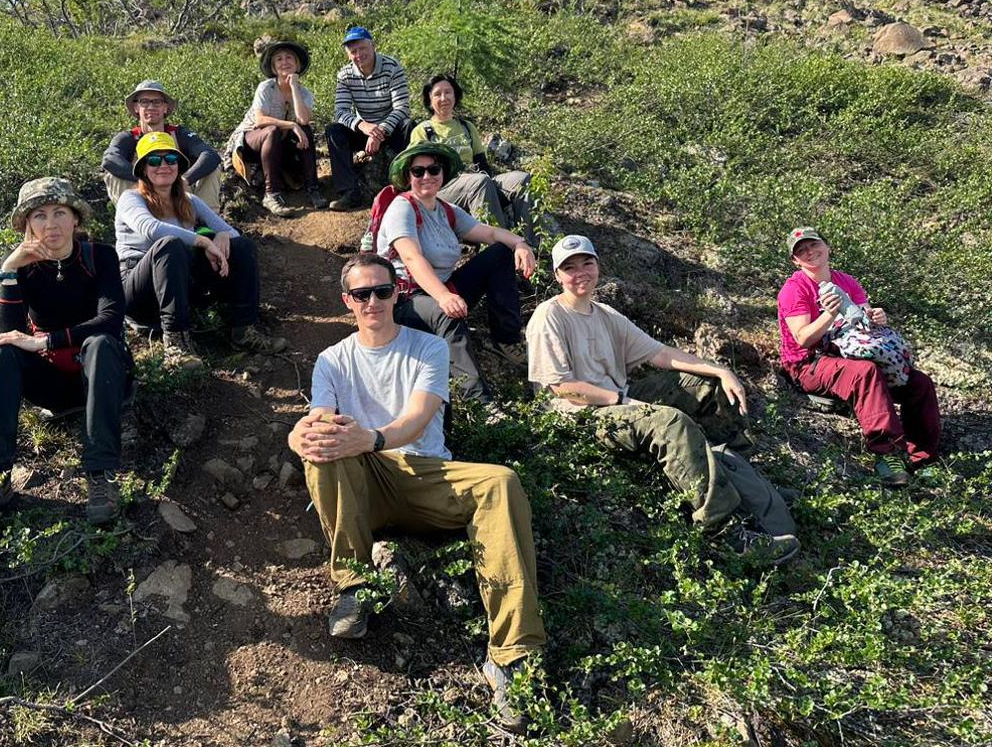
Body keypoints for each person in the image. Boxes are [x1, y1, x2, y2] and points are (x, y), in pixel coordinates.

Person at [289, 253, 546, 733]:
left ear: (397, 294)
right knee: (324, 446)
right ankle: (354, 586)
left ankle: (511, 657)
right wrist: (298, 435)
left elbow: (419, 418)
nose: (373, 302)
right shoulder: (331, 360)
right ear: (347, 301)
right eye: (362, 294)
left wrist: (373, 437)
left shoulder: (427, 347)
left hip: (426, 474)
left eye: (382, 291)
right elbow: (318, 420)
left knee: (501, 481)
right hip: (367, 483)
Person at [527, 235, 800, 564]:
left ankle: (743, 482)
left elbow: (660, 353)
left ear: (598, 265)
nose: (580, 272)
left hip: (618, 399)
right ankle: (723, 533)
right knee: (670, 421)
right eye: (569, 268)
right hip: (578, 416)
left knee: (706, 386)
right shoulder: (549, 316)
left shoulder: (605, 315)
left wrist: (719, 370)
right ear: (557, 275)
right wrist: (622, 401)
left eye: (587, 263)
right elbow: (562, 387)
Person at [0, 178, 132, 527]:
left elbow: (110, 319)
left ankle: (101, 475)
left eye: (60, 212)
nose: (51, 223)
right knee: (1, 353)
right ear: (27, 225)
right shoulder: (23, 266)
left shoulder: (99, 256)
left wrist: (45, 341)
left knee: (100, 343)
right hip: (54, 385)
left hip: (103, 376)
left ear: (76, 218)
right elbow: (5, 334)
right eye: (39, 215)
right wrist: (9, 272)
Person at [777, 227, 940, 488]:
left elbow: (863, 325)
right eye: (801, 251)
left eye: (813, 245)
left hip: (849, 354)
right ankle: (887, 454)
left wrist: (877, 317)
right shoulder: (794, 289)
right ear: (795, 261)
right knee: (865, 372)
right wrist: (828, 314)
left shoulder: (847, 282)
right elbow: (803, 338)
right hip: (809, 363)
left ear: (827, 247)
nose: (809, 252)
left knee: (919, 382)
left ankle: (924, 457)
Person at [377, 142, 536, 405]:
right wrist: (443, 297)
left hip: (441, 289)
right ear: (409, 177)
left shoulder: (447, 210)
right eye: (418, 172)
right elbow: (411, 256)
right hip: (404, 299)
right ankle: (479, 402)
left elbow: (491, 233)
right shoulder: (402, 207)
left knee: (499, 253)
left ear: (442, 174)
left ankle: (506, 340)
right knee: (444, 314)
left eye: (433, 169)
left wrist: (520, 243)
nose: (426, 176)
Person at [116, 132, 287, 367]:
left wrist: (222, 235)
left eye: (170, 160)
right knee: (169, 246)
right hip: (139, 291)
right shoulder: (131, 198)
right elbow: (151, 229)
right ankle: (175, 344)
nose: (163, 166)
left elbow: (232, 232)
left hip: (179, 284)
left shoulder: (188, 200)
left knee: (242, 246)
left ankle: (243, 329)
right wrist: (203, 240)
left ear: (179, 166)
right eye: (154, 161)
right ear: (143, 168)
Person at [411, 73, 536, 245]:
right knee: (480, 182)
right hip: (443, 188)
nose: (443, 98)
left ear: (455, 96)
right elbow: (416, 172)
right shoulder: (422, 131)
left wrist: (492, 184)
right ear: (429, 100)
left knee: (521, 179)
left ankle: (530, 245)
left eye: (448, 92)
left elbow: (481, 162)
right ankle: (498, 249)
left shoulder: (467, 127)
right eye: (437, 94)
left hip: (476, 179)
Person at [227, 40, 328, 217]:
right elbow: (260, 120)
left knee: (306, 130)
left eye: (289, 58)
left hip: (279, 144)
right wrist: (291, 124)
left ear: (297, 65)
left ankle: (312, 188)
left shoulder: (305, 93)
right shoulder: (266, 87)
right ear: (274, 68)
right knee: (272, 130)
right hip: (252, 141)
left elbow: (303, 119)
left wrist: (294, 87)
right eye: (279, 59)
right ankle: (271, 194)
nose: (285, 62)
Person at [103, 79, 225, 211]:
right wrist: (146, 180)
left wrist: (185, 180)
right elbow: (109, 159)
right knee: (113, 174)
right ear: (136, 108)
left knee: (212, 169)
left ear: (166, 107)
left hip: (178, 195)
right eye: (144, 102)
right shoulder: (128, 138)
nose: (151, 107)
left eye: (157, 102)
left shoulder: (180, 134)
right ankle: (132, 224)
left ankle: (204, 223)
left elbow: (210, 155)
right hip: (143, 198)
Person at [326, 27, 411, 211]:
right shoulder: (345, 75)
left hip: (390, 127)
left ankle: (405, 183)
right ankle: (349, 192)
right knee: (334, 130)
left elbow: (402, 108)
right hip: (364, 130)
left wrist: (379, 131)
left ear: (373, 46)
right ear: (348, 55)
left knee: (409, 125)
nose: (359, 54)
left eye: (362, 48)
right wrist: (363, 126)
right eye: (353, 51)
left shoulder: (392, 67)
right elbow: (340, 112)